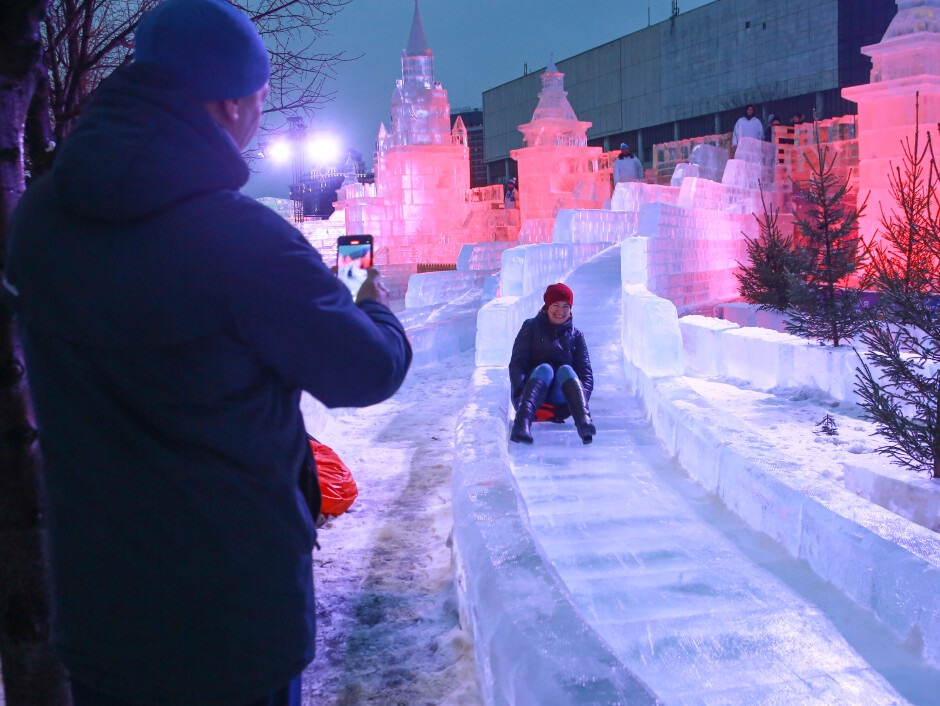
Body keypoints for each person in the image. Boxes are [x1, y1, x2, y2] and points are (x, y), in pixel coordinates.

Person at [4, 1, 412, 705]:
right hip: (231, 630)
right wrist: (369, 295)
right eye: (257, 98)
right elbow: (366, 369)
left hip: (101, 618)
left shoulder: (39, 220)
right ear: (230, 104)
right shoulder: (238, 240)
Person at [508, 283, 596, 445]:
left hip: (560, 404)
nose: (560, 311)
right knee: (545, 368)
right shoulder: (531, 327)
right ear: (547, 306)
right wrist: (520, 397)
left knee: (566, 369)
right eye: (555, 305)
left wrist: (577, 402)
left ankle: (584, 421)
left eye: (565, 306)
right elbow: (517, 365)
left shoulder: (576, 336)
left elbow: (586, 375)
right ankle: (522, 424)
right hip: (530, 399)